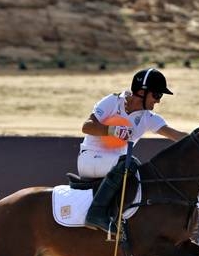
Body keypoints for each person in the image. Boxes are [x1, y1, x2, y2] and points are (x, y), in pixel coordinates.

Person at [80, 67, 188, 232]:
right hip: (90, 159)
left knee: (137, 171)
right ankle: (96, 214)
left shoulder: (147, 117)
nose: (158, 101)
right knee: (131, 164)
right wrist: (113, 130)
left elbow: (176, 135)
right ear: (141, 92)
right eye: (157, 95)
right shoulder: (112, 101)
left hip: (117, 166)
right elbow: (86, 127)